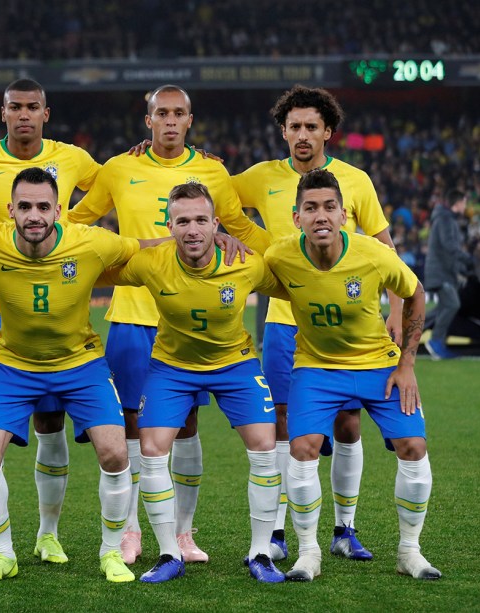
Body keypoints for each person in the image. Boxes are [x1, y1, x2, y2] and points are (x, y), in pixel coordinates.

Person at [69, 84, 271, 564]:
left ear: (190, 119)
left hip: (195, 325)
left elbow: (240, 228)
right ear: (148, 121)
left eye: (178, 114)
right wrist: (124, 248)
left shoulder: (212, 171)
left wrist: (291, 252)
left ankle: (182, 533)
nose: (170, 121)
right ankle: (133, 530)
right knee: (135, 429)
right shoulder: (120, 168)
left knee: (186, 427)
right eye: (162, 113)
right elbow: (77, 221)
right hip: (134, 317)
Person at [0, 167, 148, 584]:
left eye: (42, 207)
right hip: (13, 363)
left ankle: (110, 552)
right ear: (10, 211)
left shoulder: (90, 242)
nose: (34, 215)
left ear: (59, 210)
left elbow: (141, 247)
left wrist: (196, 240)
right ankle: (3, 554)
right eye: (24, 207)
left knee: (115, 453)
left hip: (80, 363)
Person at [0, 79, 101, 565]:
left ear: (45, 113)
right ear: (2, 112)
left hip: (55, 312)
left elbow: (112, 184)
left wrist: (76, 227)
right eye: (15, 107)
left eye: (32, 107)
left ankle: (48, 533)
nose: (23, 114)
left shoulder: (72, 159)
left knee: (51, 423)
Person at [232, 85, 399, 561]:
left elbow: (386, 251)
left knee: (348, 423)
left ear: (328, 130)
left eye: (312, 126)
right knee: (285, 424)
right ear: (282, 131)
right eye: (294, 127)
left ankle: (344, 528)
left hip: (350, 329)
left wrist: (393, 311)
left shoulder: (356, 181)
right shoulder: (260, 177)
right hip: (285, 324)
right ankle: (281, 530)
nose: (302, 135)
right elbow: (210, 191)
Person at [101, 182, 287, 584]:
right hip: (172, 367)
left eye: (201, 220)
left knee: (266, 446)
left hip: (234, 364)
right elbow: (96, 270)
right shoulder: (152, 262)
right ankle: (170, 552)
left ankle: (260, 553)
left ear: (216, 223)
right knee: (151, 450)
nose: (192, 229)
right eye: (182, 220)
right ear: (169, 225)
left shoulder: (246, 263)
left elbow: (293, 285)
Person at [265, 168, 438, 582]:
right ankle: (308, 554)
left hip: (379, 364)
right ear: (297, 217)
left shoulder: (374, 254)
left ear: (344, 215)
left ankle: (409, 552)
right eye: (311, 208)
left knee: (413, 446)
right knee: (302, 447)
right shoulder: (280, 256)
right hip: (317, 367)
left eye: (329, 207)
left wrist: (407, 364)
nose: (320, 215)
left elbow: (415, 293)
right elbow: (239, 273)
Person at [424, 189, 472, 359]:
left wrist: (461, 269)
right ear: (457, 203)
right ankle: (435, 342)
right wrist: (469, 260)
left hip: (442, 272)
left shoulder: (446, 219)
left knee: (441, 309)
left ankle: (404, 334)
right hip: (440, 273)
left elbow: (449, 249)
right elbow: (449, 247)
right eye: (464, 202)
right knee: (452, 304)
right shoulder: (445, 219)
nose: (465, 206)